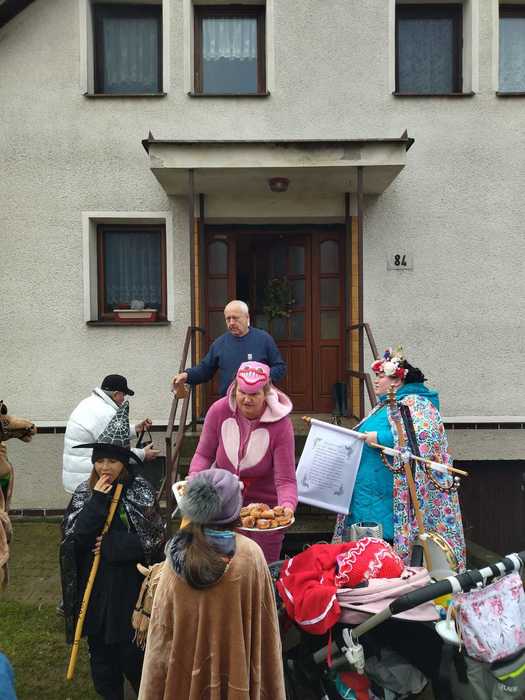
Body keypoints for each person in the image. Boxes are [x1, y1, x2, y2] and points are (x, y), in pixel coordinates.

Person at [138, 469, 286, 700]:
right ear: (235, 511)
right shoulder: (251, 556)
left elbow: (160, 639)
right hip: (238, 679)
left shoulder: (174, 559)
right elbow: (266, 633)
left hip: (185, 682)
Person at [60, 402, 164, 700]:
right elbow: (74, 540)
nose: (105, 467)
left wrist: (113, 546)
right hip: (94, 591)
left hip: (129, 590)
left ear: (125, 463)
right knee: (102, 659)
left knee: (131, 654)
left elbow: (155, 540)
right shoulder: (85, 492)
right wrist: (97, 502)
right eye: (100, 461)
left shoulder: (140, 490)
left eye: (113, 461)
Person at [333, 347, 466, 571]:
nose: (376, 381)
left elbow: (424, 438)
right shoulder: (386, 404)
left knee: (384, 558)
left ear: (396, 380)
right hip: (371, 494)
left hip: (389, 497)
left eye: (380, 376)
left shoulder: (417, 404)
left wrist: (380, 438)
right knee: (366, 556)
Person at [188, 361, 296, 563]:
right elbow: (203, 455)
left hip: (264, 513)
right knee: (220, 569)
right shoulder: (218, 411)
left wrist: (287, 506)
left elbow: (286, 480)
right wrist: (194, 479)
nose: (246, 399)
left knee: (260, 569)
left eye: (254, 394)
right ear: (234, 388)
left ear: (266, 393)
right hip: (221, 506)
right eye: (242, 392)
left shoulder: (282, 425)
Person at [62, 374, 159, 494]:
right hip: (90, 480)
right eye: (123, 395)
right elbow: (114, 449)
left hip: (78, 474)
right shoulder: (104, 412)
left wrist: (135, 429)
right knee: (96, 506)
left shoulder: (90, 403)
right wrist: (143, 454)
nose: (123, 399)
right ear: (116, 394)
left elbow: (109, 433)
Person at [171, 300, 286, 397]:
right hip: (229, 403)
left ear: (247, 318)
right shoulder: (219, 344)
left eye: (235, 318)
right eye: (228, 319)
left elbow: (280, 368)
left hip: (258, 403)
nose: (231, 323)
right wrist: (186, 375)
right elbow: (205, 370)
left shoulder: (264, 339)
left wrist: (261, 377)